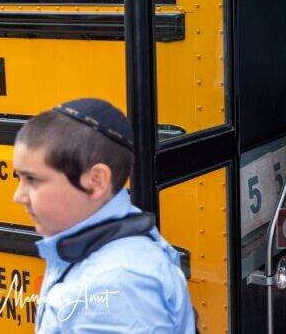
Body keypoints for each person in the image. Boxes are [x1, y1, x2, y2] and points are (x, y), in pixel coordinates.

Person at [12, 98, 195, 333]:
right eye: (20, 178)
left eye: (33, 180)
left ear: (96, 180)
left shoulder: (114, 285)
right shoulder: (112, 235)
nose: (18, 196)